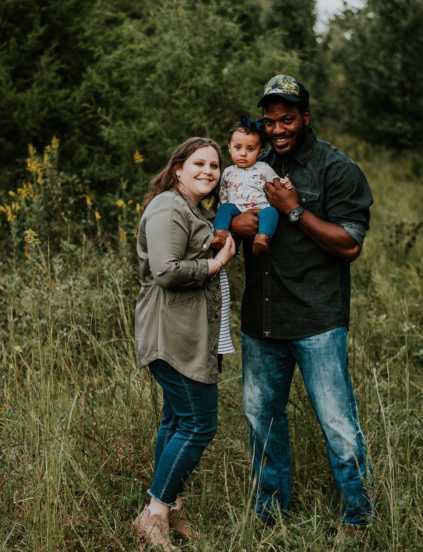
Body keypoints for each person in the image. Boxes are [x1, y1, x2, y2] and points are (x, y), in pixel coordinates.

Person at [229, 74, 374, 528]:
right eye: (270, 121)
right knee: (261, 421)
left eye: (287, 119)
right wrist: (237, 226)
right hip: (263, 318)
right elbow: (229, 214)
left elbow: (349, 245)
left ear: (305, 118)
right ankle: (271, 515)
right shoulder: (254, 164)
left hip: (317, 319)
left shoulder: (335, 168)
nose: (277, 129)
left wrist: (294, 210)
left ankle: (359, 516)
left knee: (337, 424)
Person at [132, 137, 237, 550]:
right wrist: (214, 264)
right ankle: (153, 514)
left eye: (214, 165)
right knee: (199, 424)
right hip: (172, 334)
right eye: (199, 163)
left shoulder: (191, 209)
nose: (209, 170)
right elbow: (165, 270)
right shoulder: (167, 209)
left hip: (187, 333)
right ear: (178, 168)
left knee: (176, 421)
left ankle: (169, 506)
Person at [210, 117, 288, 255]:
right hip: (236, 210)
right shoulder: (228, 172)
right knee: (224, 208)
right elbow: (223, 193)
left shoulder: (263, 168)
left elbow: (276, 182)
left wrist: (285, 183)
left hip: (260, 209)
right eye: (238, 147)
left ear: (260, 152)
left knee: (271, 212)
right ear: (229, 148)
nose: (243, 153)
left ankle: (262, 237)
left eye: (250, 149)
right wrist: (224, 210)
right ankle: (220, 234)